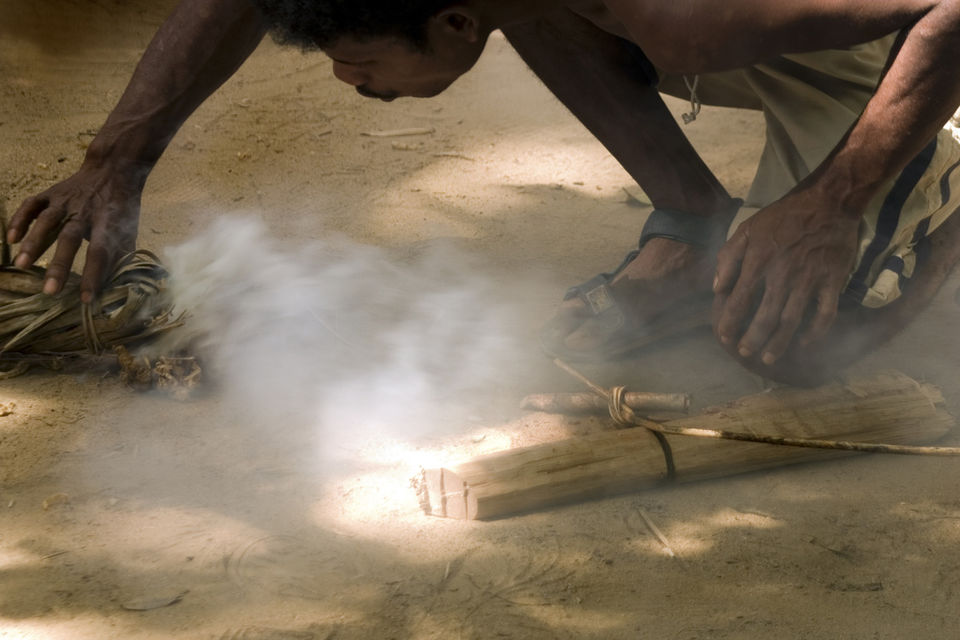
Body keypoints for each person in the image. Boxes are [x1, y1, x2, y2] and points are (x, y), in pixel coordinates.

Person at [9, 0, 960, 385]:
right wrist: (116, 162)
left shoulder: (688, 14)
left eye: (359, 60)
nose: (352, 82)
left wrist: (831, 207)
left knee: (804, 343)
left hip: (912, 48)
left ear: (452, 24)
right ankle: (691, 218)